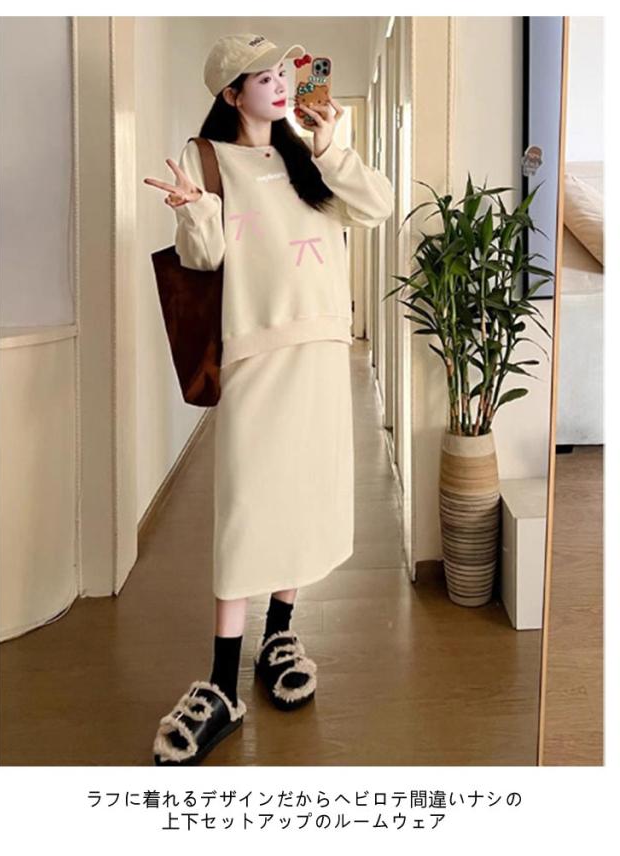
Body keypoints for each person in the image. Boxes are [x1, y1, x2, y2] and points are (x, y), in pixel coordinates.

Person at [144, 33, 394, 765]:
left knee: (303, 496)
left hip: (321, 349)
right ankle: (221, 683)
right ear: (231, 94)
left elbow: (376, 207)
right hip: (255, 351)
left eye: (283, 71)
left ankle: (280, 634)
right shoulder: (207, 158)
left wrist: (332, 145)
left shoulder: (309, 158)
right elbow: (204, 258)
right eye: (263, 76)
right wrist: (193, 209)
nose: (281, 83)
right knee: (247, 509)